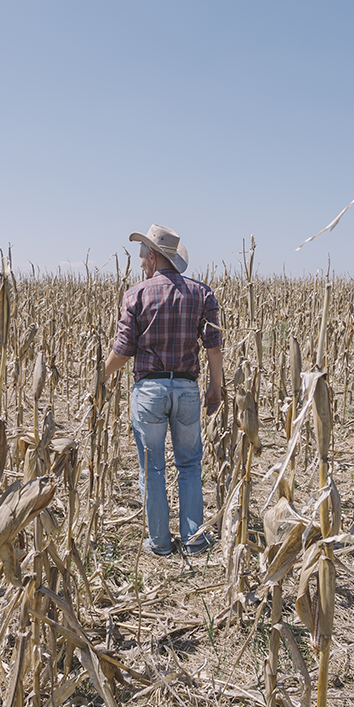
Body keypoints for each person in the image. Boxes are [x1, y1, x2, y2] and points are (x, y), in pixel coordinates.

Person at [102, 224, 223, 557]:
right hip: (186, 389)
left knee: (152, 468)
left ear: (153, 257)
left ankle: (159, 543)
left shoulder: (136, 295)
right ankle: (195, 540)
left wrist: (101, 376)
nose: (141, 264)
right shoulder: (202, 294)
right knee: (190, 466)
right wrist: (216, 386)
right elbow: (213, 347)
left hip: (150, 391)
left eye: (143, 257)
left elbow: (124, 350)